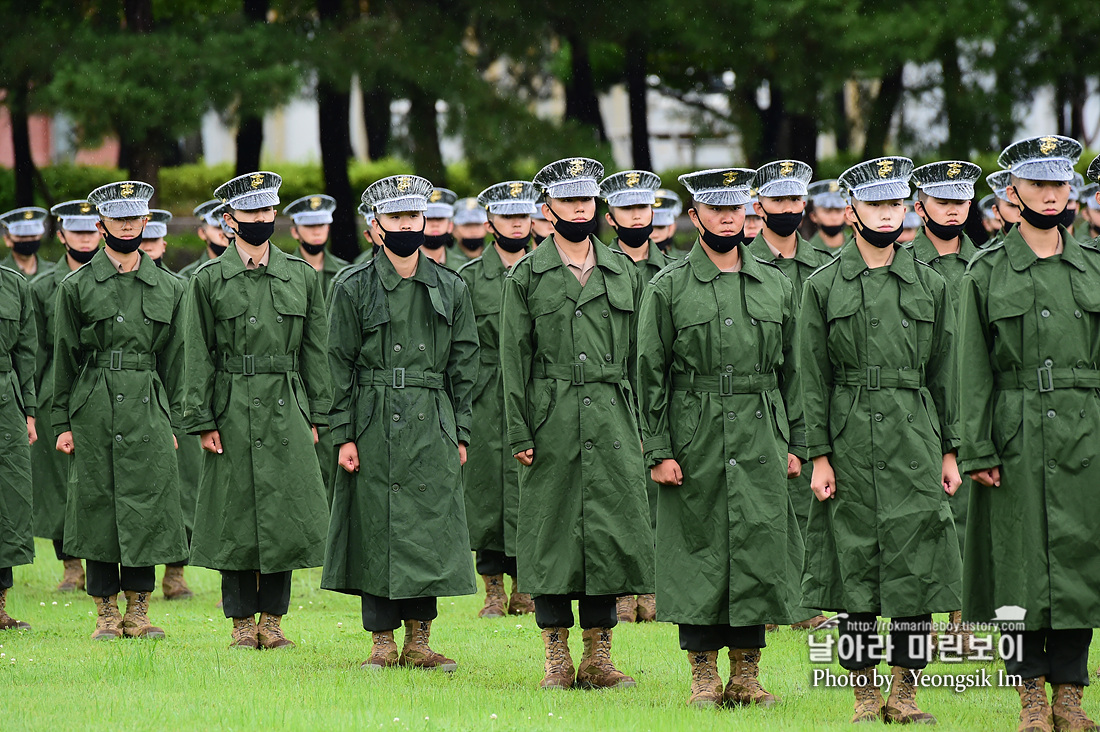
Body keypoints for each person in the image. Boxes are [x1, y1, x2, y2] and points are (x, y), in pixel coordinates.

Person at [799, 157, 961, 724]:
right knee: (855, 568)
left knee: (916, 568)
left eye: (895, 204)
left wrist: (948, 448)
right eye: (875, 205)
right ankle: (866, 694)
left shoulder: (932, 285)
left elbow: (945, 373)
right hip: (848, 437)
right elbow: (811, 377)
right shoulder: (821, 287)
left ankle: (906, 692)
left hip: (915, 436)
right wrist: (818, 454)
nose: (886, 214)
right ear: (852, 211)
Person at [637, 166, 806, 708]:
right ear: (695, 217)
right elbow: (650, 374)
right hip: (696, 432)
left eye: (737, 208)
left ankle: (748, 675)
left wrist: (797, 442)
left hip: (760, 430)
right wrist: (659, 450)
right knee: (698, 549)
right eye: (716, 210)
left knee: (758, 545)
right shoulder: (668, 288)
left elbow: (795, 373)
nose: (728, 218)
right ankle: (704, 676)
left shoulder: (776, 283)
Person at [958, 139, 1100, 732]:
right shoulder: (986, 270)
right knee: (1017, 566)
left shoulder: (1094, 266)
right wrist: (977, 446)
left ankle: (1071, 695)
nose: (1050, 195)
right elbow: (970, 369)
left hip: (1085, 432)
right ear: (1012, 194)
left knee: (1078, 561)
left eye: (1059, 185)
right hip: (1014, 433)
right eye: (1038, 185)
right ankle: (1031, 698)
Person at [500, 157, 654, 690]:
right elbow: (513, 359)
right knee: (550, 534)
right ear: (547, 211)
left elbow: (640, 358)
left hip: (612, 414)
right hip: (552, 416)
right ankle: (556, 658)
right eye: (569, 202)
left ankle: (599, 657)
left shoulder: (623, 270)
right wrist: (519, 429)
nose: (580, 209)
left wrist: (644, 427)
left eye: (587, 201)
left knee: (608, 533)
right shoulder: (527, 275)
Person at [322, 175, 478, 672]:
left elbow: (465, 364)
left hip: (432, 420)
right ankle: (382, 643)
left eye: (413, 217)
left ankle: (420, 640)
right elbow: (336, 365)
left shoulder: (450, 286)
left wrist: (461, 431)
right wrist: (344, 434)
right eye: (396, 219)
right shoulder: (351, 286)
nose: (406, 226)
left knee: (427, 525)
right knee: (375, 527)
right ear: (375, 228)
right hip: (371, 419)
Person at [182, 171, 331, 650]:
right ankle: (242, 624)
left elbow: (316, 353)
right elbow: (196, 352)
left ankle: (274, 621)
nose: (263, 220)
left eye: (269, 212)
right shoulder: (207, 280)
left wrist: (317, 416)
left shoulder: (302, 277)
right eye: (252, 213)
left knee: (283, 514)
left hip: (287, 406)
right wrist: (202, 420)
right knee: (236, 516)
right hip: (231, 406)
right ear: (229, 221)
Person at [53, 181, 188, 640]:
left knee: (148, 504)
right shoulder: (76, 287)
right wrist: (61, 423)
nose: (127, 225)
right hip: (94, 404)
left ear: (146, 222)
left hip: (148, 405)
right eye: (118, 218)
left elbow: (177, 361)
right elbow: (64, 358)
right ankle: (106, 612)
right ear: (101, 225)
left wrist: (171, 420)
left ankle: (140, 610)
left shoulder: (171, 286)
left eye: (135, 218)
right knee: (98, 505)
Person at [746, 159, 831, 632]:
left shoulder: (825, 265)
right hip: (761, 395)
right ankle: (766, 604)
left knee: (811, 505)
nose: (789, 209)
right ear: (758, 207)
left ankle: (807, 602)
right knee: (760, 507)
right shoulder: (743, 265)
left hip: (813, 396)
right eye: (779, 201)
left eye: (796, 200)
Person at [458, 181, 539, 619]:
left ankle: (526, 583)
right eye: (507, 217)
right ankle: (492, 587)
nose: (515, 224)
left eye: (522, 217)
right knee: (487, 489)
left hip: (532, 388)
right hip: (485, 393)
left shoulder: (545, 271)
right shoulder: (468, 279)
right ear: (489, 222)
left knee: (533, 484)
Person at [599, 169, 668, 624]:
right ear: (611, 216)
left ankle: (658, 587)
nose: (637, 216)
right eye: (627, 209)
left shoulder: (673, 270)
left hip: (660, 394)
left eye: (643, 208)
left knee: (661, 497)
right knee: (619, 493)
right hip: (613, 393)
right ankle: (624, 592)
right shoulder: (598, 268)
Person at [30, 201, 100, 594]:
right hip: (55, 393)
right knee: (60, 488)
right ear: (61, 236)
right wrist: (33, 405)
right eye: (78, 232)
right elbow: (37, 351)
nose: (86, 238)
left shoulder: (114, 279)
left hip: (105, 390)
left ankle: (102, 563)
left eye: (91, 231)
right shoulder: (41, 287)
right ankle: (71, 566)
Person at [283, 193, 348, 496]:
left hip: (338, 380)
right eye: (309, 226)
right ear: (295, 231)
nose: (317, 232)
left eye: (322, 225)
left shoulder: (346, 274)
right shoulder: (286, 274)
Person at [0, 247, 38, 631]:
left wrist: (28, 411)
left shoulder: (13, 285)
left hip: (5, 403)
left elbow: (26, 352)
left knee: (8, 500)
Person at [178, 201, 233, 279]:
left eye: (228, 227)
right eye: (218, 228)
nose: (223, 233)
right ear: (202, 233)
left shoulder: (248, 268)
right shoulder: (188, 277)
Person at [1, 207, 54, 278]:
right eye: (22, 237)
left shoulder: (53, 272)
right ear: (7, 240)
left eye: (33, 236)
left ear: (40, 236)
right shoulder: (2, 274)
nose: (28, 240)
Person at [806, 180, 849, 256]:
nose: (834, 218)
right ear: (814, 216)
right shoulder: (808, 251)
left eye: (838, 211)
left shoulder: (857, 246)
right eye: (827, 212)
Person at [420, 187, 458, 267]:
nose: (435, 224)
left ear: (450, 225)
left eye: (440, 219)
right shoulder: (405, 264)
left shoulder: (462, 265)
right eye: (429, 219)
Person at [986, 170, 1022, 247]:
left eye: (1025, 205)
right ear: (996, 212)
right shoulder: (985, 257)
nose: (1021, 212)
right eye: (1013, 206)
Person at [449, 198, 488, 269]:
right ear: (454, 230)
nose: (473, 230)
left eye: (477, 225)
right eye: (466, 225)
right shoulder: (443, 261)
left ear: (487, 227)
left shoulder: (499, 258)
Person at [651, 188, 683, 256]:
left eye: (660, 227)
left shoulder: (687, 259)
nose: (654, 234)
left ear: (672, 227)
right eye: (649, 228)